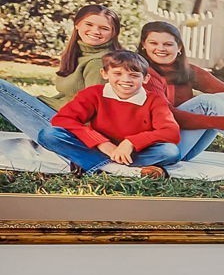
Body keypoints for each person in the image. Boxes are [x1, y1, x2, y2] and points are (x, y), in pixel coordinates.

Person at [35, 49, 181, 178]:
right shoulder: (93, 93)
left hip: (133, 153)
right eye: (117, 73)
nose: (126, 80)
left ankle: (96, 165)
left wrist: (131, 142)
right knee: (48, 135)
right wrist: (101, 142)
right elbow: (63, 119)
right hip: (97, 147)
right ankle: (115, 169)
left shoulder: (154, 100)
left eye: (134, 75)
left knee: (170, 152)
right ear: (104, 74)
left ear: (145, 79)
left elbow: (171, 132)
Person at [136, 20, 224, 164]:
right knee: (207, 102)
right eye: (153, 43)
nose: (161, 48)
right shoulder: (142, 73)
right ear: (144, 45)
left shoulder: (188, 70)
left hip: (184, 147)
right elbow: (170, 115)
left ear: (179, 47)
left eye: (168, 44)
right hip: (161, 148)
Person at [0, 3, 121, 142]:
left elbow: (96, 113)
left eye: (104, 28)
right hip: (59, 115)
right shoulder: (80, 54)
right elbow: (69, 95)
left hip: (69, 128)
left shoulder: (98, 62)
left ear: (113, 33)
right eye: (89, 24)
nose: (95, 31)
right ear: (77, 24)